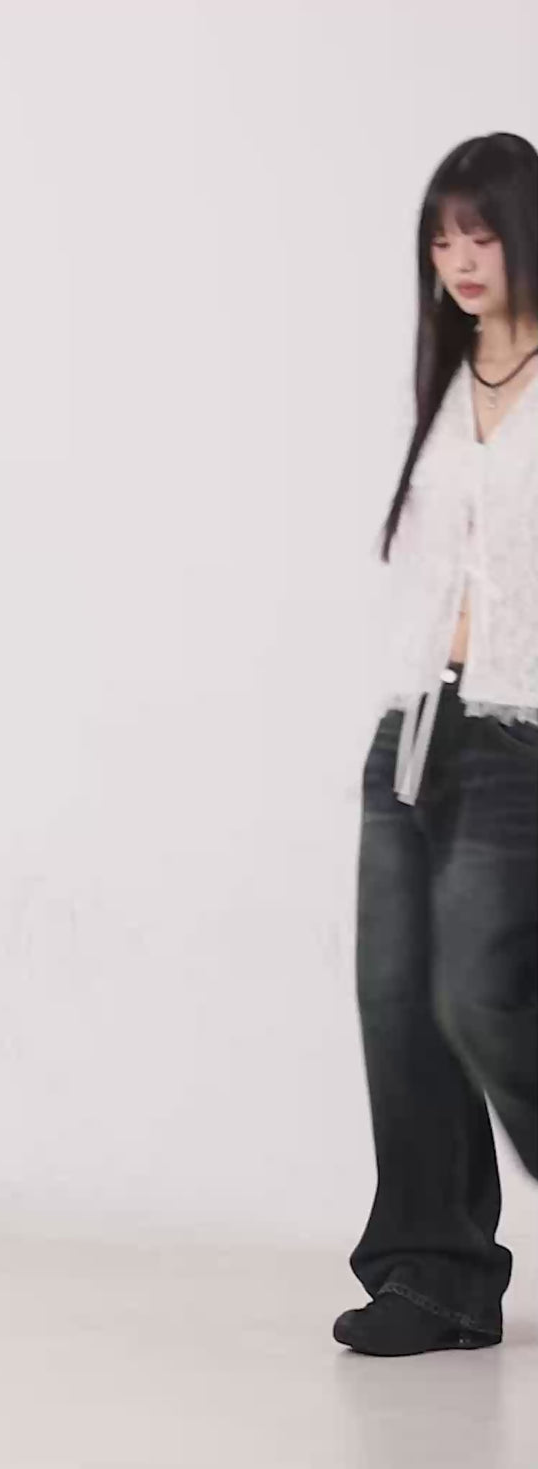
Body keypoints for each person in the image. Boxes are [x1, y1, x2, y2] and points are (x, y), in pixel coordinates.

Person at [333, 132, 538, 1358]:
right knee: (400, 998)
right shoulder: (452, 376)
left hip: (523, 728)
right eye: (442, 236)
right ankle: (436, 1273)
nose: (460, 259)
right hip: (415, 722)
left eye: (484, 232)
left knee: (482, 994)